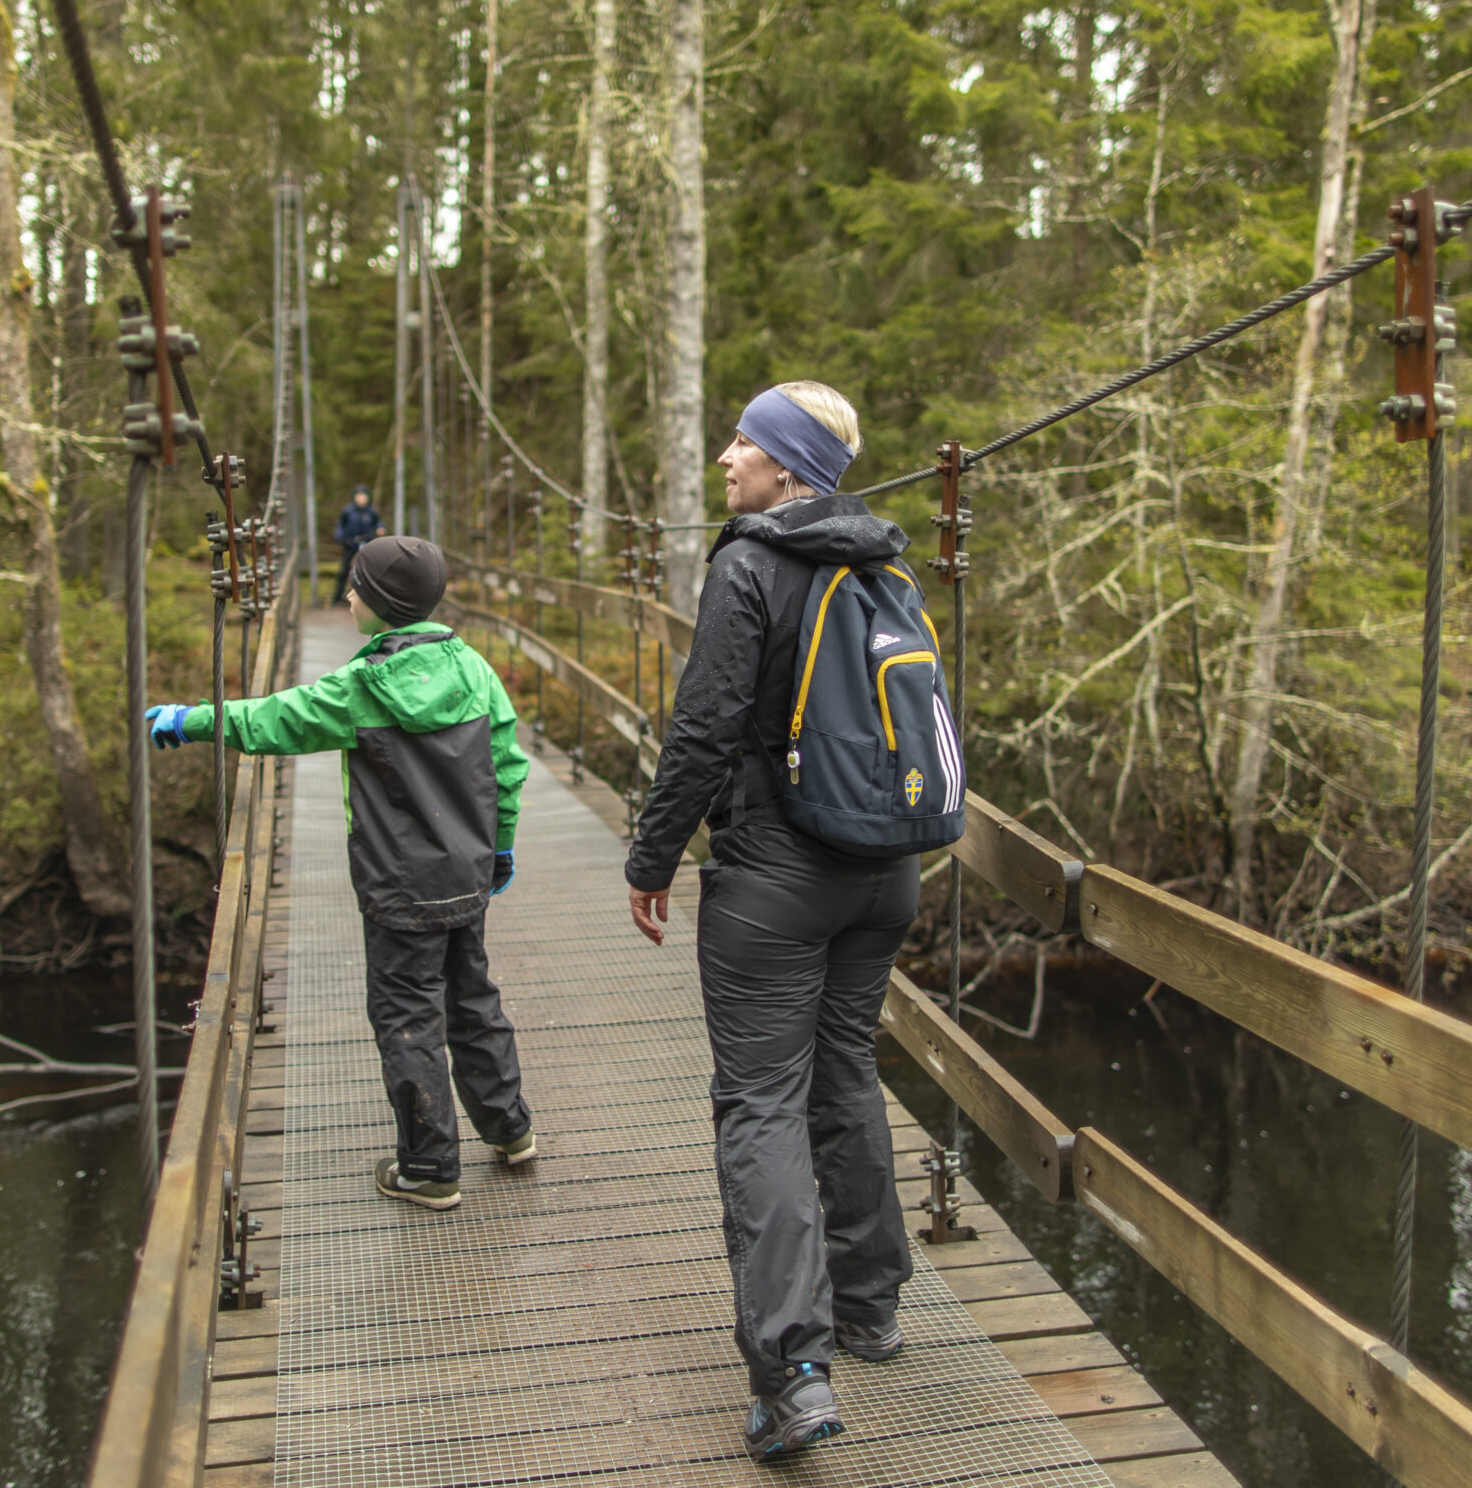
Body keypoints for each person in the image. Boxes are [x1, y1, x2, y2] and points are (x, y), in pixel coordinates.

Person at [622, 381, 916, 1463]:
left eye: (743, 441)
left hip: (775, 881)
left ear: (788, 468)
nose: (724, 457)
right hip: (883, 876)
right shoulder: (887, 565)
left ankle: (792, 1373)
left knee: (759, 1105)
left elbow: (703, 729)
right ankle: (871, 1305)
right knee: (841, 1074)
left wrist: (652, 857)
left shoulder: (748, 565)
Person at [147, 535, 534, 1211]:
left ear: (381, 605)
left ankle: (430, 1167)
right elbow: (507, 766)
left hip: (398, 887)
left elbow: (273, 719)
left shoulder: (362, 687)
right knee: (471, 999)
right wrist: (499, 848)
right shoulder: (474, 668)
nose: (346, 595)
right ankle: (511, 1130)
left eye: (355, 586)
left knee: (407, 1014)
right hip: (467, 878)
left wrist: (193, 721)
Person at [331, 485, 384, 606]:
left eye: (364, 496)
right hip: (350, 544)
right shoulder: (348, 511)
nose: (361, 499)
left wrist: (380, 528)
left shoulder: (371, 512)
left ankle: (368, 598)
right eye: (359, 496)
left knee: (367, 570)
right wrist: (341, 537)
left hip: (366, 543)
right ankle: (338, 596)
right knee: (344, 571)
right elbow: (340, 525)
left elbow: (378, 523)